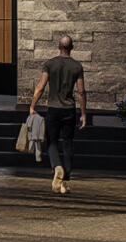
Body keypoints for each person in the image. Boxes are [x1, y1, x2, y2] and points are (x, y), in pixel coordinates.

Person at [25, 34, 89, 195]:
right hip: (69, 110)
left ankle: (57, 166)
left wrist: (32, 106)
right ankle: (65, 183)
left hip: (53, 109)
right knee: (67, 144)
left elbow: (40, 87)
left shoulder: (50, 64)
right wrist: (83, 114)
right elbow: (81, 92)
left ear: (59, 47)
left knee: (52, 142)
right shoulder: (77, 66)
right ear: (72, 47)